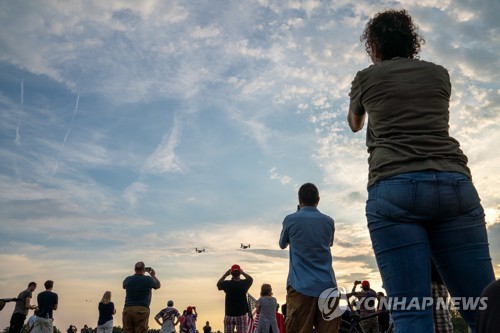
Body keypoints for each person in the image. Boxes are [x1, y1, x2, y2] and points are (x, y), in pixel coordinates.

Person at [347, 8, 495, 333]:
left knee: (412, 316)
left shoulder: (365, 78)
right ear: (412, 40)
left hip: (394, 188)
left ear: (374, 45)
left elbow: (355, 124)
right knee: (485, 310)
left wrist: (364, 107)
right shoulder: (440, 74)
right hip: (454, 184)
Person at [279, 183, 340, 333]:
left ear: (299, 199)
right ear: (318, 199)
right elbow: (329, 243)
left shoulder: (291, 220)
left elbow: (282, 244)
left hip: (301, 287)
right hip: (328, 287)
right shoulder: (328, 221)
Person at [122, 262, 161, 333]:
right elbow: (158, 285)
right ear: (144, 270)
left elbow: (124, 285)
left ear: (134, 269)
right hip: (142, 309)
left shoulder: (128, 279)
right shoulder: (148, 279)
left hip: (128, 309)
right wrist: (153, 275)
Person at [217, 264, 253, 333]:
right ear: (239, 273)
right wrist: (243, 272)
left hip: (229, 315)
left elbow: (218, 284)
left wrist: (225, 274)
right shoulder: (244, 284)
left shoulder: (227, 284)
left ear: (231, 273)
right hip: (241, 314)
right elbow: (250, 279)